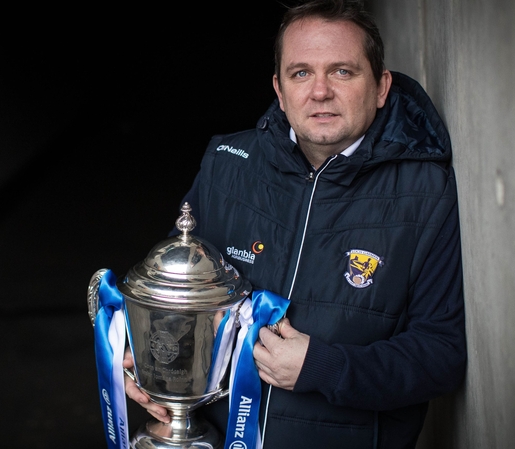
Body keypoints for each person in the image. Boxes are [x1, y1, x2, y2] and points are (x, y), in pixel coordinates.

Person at [123, 0, 467, 447]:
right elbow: (178, 295)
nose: (320, 91)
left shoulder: (425, 192)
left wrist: (322, 368)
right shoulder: (227, 164)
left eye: (343, 71)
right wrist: (147, 354)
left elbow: (441, 353)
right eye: (301, 73)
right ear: (279, 90)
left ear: (381, 87)